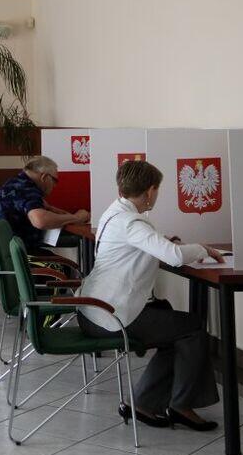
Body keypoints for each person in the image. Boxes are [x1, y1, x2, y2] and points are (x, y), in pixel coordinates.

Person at [76, 159, 223, 431]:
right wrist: (202, 249)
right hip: (110, 316)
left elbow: (149, 242)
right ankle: (179, 405)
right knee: (191, 328)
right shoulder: (131, 222)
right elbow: (174, 257)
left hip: (92, 310)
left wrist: (167, 241)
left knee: (172, 324)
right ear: (150, 191)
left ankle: (145, 403)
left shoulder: (115, 212)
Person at [0, 155, 90, 269]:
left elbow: (46, 209)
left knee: (61, 262)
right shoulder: (26, 189)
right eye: (55, 180)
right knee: (63, 268)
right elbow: (40, 220)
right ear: (44, 177)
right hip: (6, 259)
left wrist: (68, 215)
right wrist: (77, 218)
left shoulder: (18, 183)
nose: (55, 185)